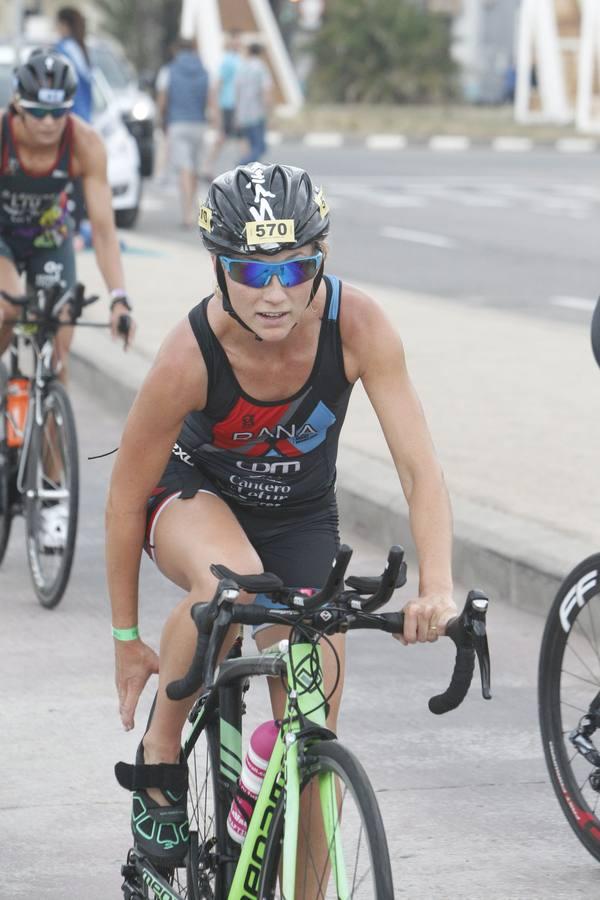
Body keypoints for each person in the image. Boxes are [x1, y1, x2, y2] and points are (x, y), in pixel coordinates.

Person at [106, 161, 457, 873]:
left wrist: (437, 584)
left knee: (312, 735)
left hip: (299, 516)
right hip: (193, 495)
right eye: (250, 271)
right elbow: (121, 498)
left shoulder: (358, 327)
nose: (274, 294)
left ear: (319, 261)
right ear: (217, 267)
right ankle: (163, 754)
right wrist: (125, 637)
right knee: (232, 589)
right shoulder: (187, 356)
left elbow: (420, 469)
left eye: (294, 270)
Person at [155, 39, 209, 229]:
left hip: (177, 123)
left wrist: (161, 119)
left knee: (184, 168)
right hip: (199, 123)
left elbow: (162, 99)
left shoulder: (168, 70)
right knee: (193, 167)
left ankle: (187, 213)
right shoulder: (204, 71)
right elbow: (210, 97)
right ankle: (194, 208)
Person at [54, 7, 93, 239]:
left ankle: (62, 226)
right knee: (77, 176)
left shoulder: (62, 50)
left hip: (65, 120)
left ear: (64, 25)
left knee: (59, 174)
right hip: (84, 122)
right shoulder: (82, 50)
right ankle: (76, 227)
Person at [202, 31, 243, 180]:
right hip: (228, 104)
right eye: (235, 41)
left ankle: (244, 168)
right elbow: (217, 84)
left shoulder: (238, 59)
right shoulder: (227, 61)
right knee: (224, 138)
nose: (237, 43)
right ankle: (207, 166)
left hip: (237, 104)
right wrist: (214, 108)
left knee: (240, 137)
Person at [236, 43, 273, 165]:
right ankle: (241, 165)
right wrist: (268, 111)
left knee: (252, 146)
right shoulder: (261, 68)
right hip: (257, 113)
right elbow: (266, 90)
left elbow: (237, 90)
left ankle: (251, 174)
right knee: (260, 147)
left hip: (243, 113)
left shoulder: (242, 67)